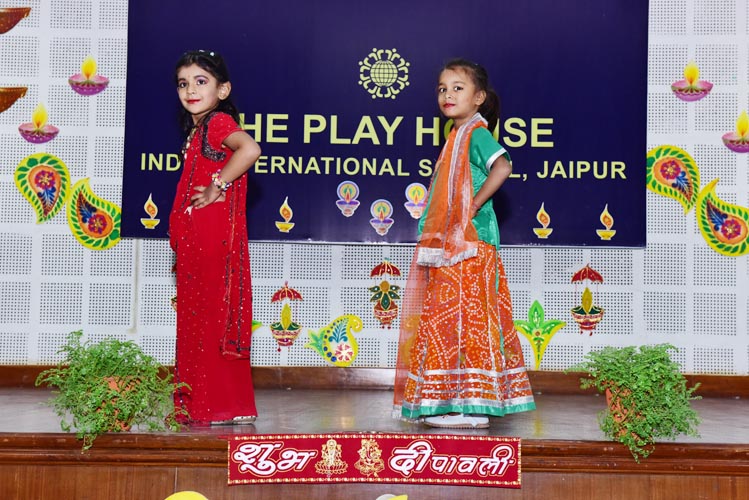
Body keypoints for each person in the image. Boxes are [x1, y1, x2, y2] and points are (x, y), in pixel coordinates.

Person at [393, 59, 535, 428]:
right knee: (450, 319)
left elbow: (503, 166)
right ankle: (456, 401)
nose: (448, 94)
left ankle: (473, 408)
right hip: (455, 243)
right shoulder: (456, 137)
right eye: (442, 88)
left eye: (458, 87)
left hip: (472, 241)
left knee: (469, 318)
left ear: (479, 98)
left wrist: (472, 204)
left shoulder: (475, 134)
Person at [169, 50, 261, 425]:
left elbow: (250, 149)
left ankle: (207, 404)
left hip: (208, 237)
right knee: (208, 317)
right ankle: (227, 404)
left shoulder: (217, 122)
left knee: (205, 318)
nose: (190, 90)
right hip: (200, 238)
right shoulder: (199, 129)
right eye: (183, 83)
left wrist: (216, 185)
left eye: (201, 82)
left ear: (222, 90)